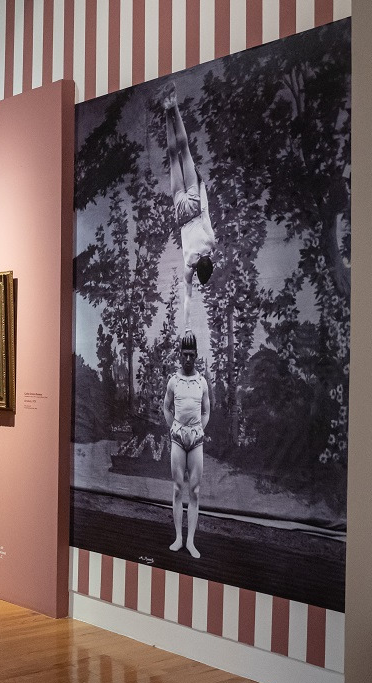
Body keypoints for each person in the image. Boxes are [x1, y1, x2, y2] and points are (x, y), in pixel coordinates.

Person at [162, 82, 218, 331]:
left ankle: (173, 106)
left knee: (184, 151)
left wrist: (203, 185)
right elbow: (188, 294)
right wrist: (186, 327)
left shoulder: (210, 244)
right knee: (173, 156)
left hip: (195, 204)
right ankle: (167, 110)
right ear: (197, 270)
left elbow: (206, 213)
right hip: (182, 212)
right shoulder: (188, 265)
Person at [162, 332, 210, 559]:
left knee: (196, 491)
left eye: (192, 355)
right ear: (180, 355)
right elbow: (166, 406)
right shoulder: (174, 381)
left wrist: (200, 428)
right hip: (178, 438)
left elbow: (206, 410)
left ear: (196, 356)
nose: (188, 359)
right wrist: (174, 428)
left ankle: (191, 541)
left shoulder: (202, 382)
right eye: (185, 355)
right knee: (178, 488)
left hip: (196, 439)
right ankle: (178, 538)